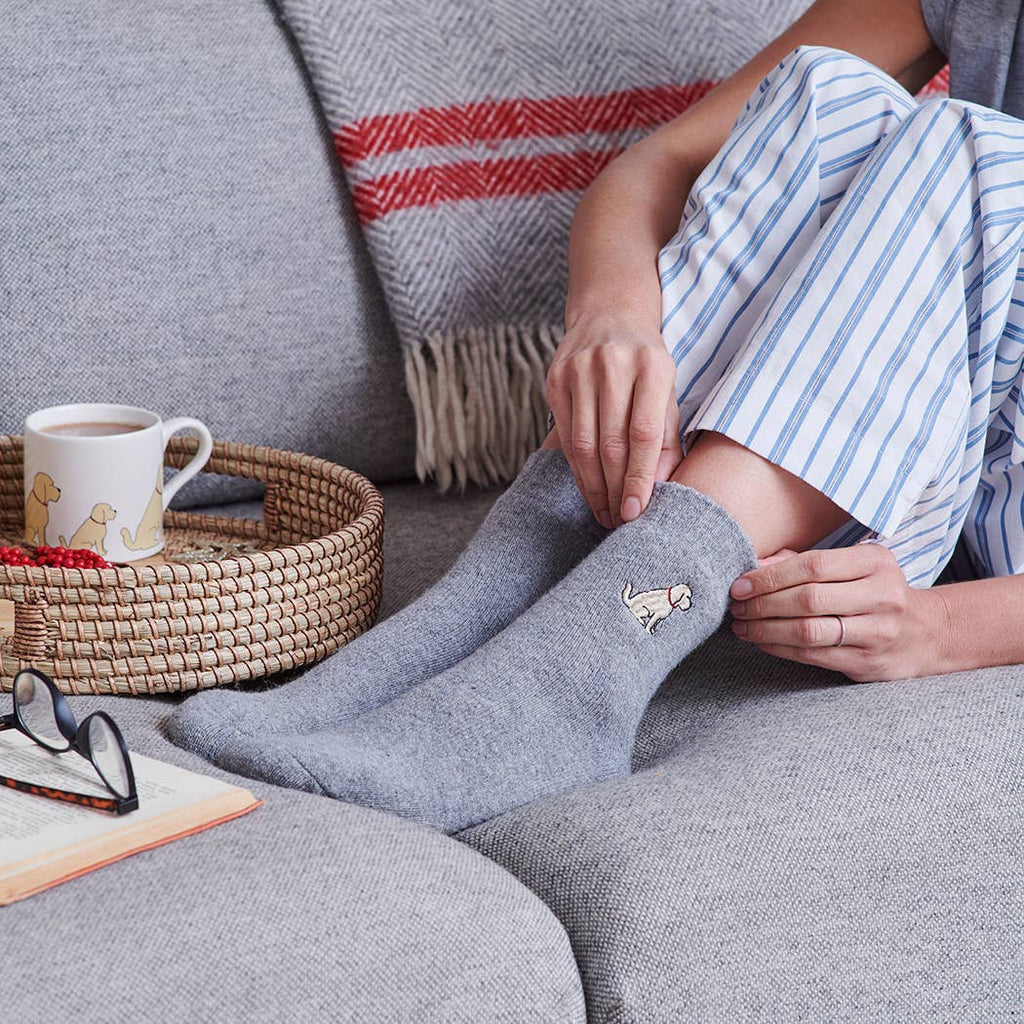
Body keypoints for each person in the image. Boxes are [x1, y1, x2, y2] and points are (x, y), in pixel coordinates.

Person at [169, 0, 1024, 833]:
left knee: (964, 149)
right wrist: (612, 315)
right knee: (824, 101)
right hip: (921, 435)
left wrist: (937, 632)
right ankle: (474, 612)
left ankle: (579, 674)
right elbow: (660, 163)